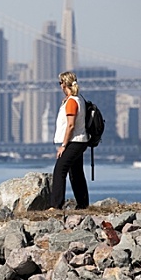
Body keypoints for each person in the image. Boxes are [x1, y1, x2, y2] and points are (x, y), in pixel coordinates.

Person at [50, 71, 89, 210]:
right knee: (76, 173)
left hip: (74, 141)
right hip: (80, 141)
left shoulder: (72, 101)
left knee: (59, 170)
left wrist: (63, 145)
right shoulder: (78, 99)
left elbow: (71, 125)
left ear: (64, 84)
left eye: (60, 83)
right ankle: (83, 205)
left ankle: (56, 205)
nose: (59, 86)